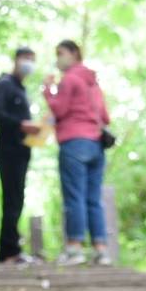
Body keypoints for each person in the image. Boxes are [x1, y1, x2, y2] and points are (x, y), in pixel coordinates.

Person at [42, 39, 111, 266]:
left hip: (74, 142)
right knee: (93, 199)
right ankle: (101, 251)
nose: (58, 58)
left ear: (73, 54)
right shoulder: (93, 83)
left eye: (60, 53)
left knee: (75, 196)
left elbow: (59, 109)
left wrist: (48, 90)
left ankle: (75, 249)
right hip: (96, 144)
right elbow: (105, 117)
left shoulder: (70, 79)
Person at [0, 46, 42, 263]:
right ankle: (9, 252)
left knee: (16, 199)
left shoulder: (20, 88)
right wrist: (21, 125)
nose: (29, 63)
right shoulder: (5, 84)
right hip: (8, 152)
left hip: (21, 152)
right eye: (26, 58)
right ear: (17, 59)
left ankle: (10, 251)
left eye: (32, 59)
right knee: (11, 200)